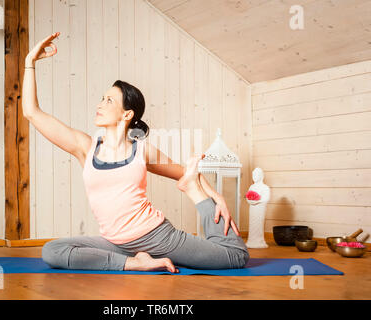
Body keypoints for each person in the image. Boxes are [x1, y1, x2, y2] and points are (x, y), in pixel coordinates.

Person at [22, 32, 249, 272]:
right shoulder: (85, 147)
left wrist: (215, 197)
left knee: (235, 257)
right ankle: (134, 263)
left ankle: (195, 196)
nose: (100, 104)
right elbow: (32, 112)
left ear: (127, 114)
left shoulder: (142, 151)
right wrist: (30, 62)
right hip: (115, 244)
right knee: (53, 250)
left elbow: (186, 173)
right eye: (102, 98)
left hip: (157, 237)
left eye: (109, 100)